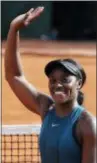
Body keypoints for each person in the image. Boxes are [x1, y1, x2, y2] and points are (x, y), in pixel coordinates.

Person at [4, 7, 96, 163]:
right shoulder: (46, 108)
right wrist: (14, 29)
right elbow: (14, 76)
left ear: (79, 83)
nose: (57, 85)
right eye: (53, 80)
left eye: (65, 79)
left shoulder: (86, 124)